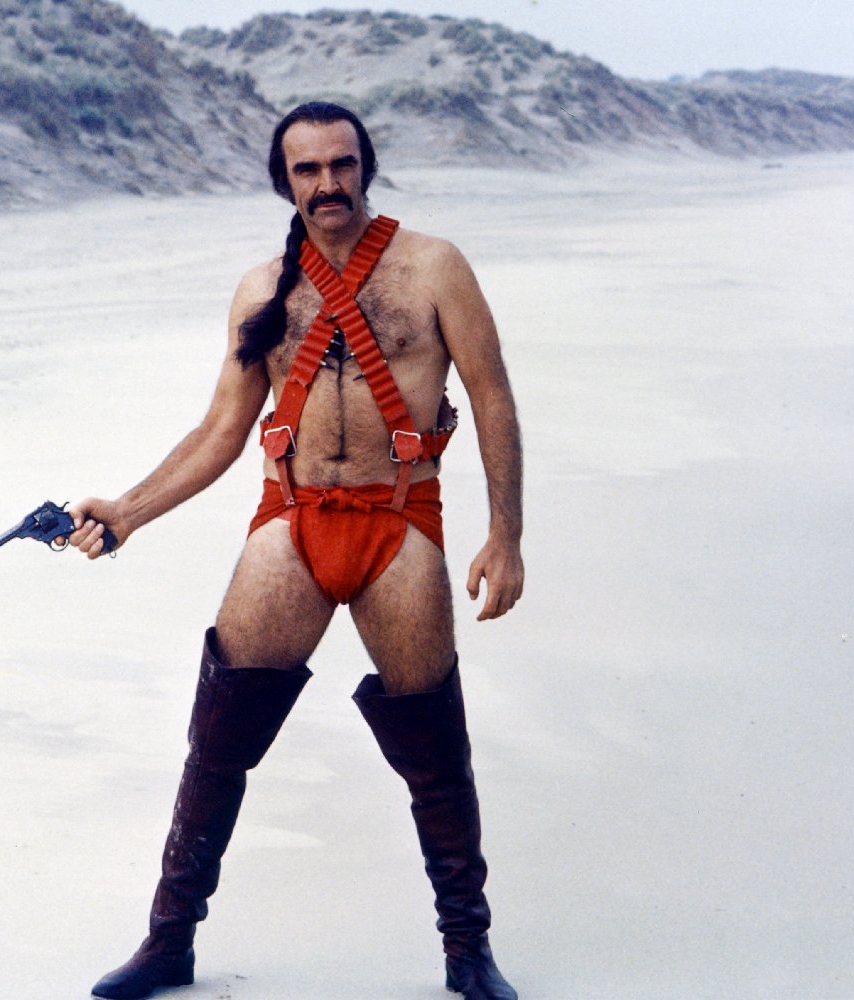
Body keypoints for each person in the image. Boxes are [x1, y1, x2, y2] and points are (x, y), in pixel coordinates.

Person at [66, 101, 524, 1000]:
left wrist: (505, 537)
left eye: (342, 164)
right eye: (307, 169)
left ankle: (468, 951)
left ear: (366, 167)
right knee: (218, 742)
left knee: (435, 749)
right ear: (285, 181)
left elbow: (494, 398)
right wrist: (125, 512)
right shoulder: (262, 289)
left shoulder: (434, 267)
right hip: (291, 521)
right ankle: (168, 942)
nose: (328, 183)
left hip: (400, 523)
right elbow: (221, 431)